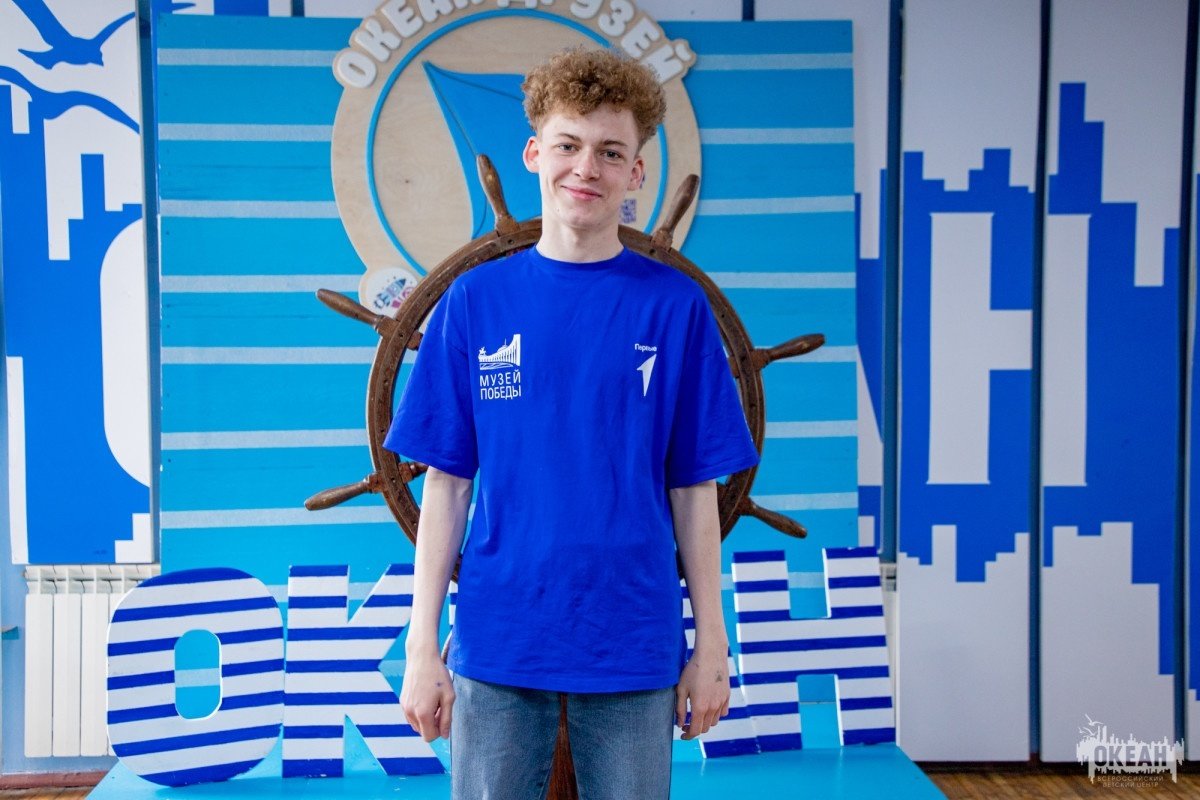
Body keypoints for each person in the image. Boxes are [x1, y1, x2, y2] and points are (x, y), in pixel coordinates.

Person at [384, 47, 759, 800]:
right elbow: (446, 488)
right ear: (534, 154)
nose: (586, 167)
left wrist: (712, 644)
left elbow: (694, 490)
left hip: (633, 640)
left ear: (636, 172)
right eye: (568, 145)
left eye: (610, 152)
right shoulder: (474, 303)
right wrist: (421, 646)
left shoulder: (676, 308)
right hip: (499, 638)